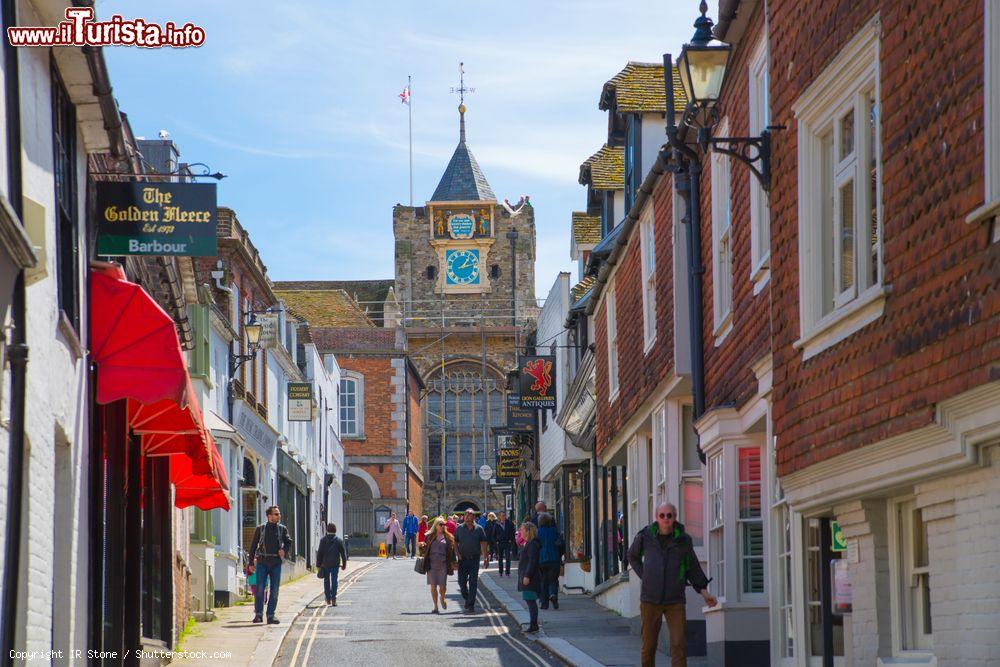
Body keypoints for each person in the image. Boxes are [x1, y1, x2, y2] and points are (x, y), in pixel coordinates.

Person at [627, 502, 717, 667]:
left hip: (675, 600)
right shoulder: (645, 536)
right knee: (649, 647)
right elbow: (632, 556)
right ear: (657, 518)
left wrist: (705, 593)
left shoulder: (683, 540)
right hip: (650, 600)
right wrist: (645, 575)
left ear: (675, 518)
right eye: (662, 516)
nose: (666, 519)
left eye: (669, 515)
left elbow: (693, 568)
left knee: (678, 645)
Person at [248, 505, 293, 624]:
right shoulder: (260, 529)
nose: (279, 516)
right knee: (260, 589)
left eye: (279, 514)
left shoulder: (282, 529)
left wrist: (284, 550)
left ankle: (271, 615)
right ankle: (258, 615)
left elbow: (289, 542)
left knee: (274, 590)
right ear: (269, 516)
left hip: (276, 563)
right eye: (276, 514)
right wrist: (251, 563)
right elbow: (252, 547)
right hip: (262, 562)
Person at [454, 508, 489, 612]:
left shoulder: (479, 529)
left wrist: (486, 558)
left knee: (473, 582)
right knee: (461, 582)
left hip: (474, 559)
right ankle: (468, 599)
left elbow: (484, 544)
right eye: (467, 514)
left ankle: (471, 604)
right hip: (462, 559)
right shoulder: (459, 528)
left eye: (471, 515)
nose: (468, 516)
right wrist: (457, 554)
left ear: (474, 517)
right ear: (464, 516)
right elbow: (455, 542)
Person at [419, 517, 457, 614]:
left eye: (444, 524)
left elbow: (452, 552)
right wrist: (421, 546)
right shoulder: (429, 536)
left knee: (443, 587)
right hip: (431, 564)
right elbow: (423, 551)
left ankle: (442, 598)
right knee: (433, 586)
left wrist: (454, 563)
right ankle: (435, 606)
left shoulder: (448, 537)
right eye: (441, 524)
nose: (443, 526)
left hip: (443, 564)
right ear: (435, 526)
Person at [517, 521, 542, 633]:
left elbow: (532, 561)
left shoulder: (532, 544)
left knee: (530, 601)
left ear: (528, 531)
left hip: (530, 578)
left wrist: (527, 576)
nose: (520, 532)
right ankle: (533, 623)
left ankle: (534, 624)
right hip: (527, 576)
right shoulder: (528, 543)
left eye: (522, 530)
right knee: (529, 600)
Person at [537, 513, 565, 610]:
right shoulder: (554, 531)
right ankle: (553, 595)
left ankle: (544, 604)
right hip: (554, 559)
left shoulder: (538, 532)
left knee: (543, 581)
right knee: (553, 580)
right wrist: (560, 555)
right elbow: (561, 544)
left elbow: (536, 546)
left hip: (542, 560)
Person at [316, 522, 348, 606]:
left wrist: (318, 565)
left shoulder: (323, 540)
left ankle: (328, 598)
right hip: (335, 564)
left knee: (326, 581)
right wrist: (344, 564)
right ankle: (334, 598)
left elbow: (320, 553)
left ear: (327, 530)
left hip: (325, 564)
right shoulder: (339, 540)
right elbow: (343, 554)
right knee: (334, 581)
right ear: (335, 530)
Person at [495, 511, 516, 576]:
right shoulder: (497, 524)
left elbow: (513, 532)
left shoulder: (509, 523)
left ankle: (507, 572)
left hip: (507, 542)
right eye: (501, 516)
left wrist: (511, 540)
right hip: (500, 543)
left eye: (504, 515)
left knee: (508, 557)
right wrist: (496, 541)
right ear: (499, 517)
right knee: (500, 558)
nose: (503, 517)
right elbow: (493, 534)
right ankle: (500, 572)